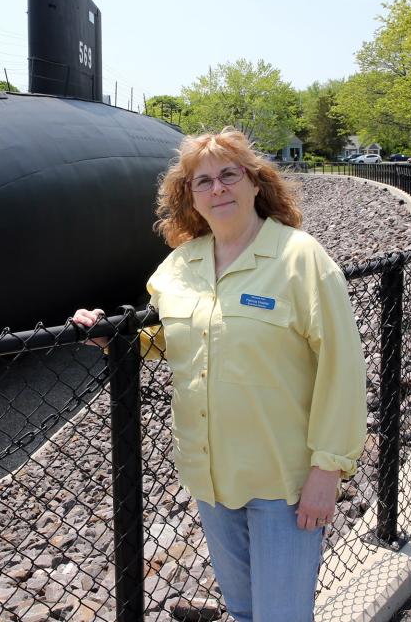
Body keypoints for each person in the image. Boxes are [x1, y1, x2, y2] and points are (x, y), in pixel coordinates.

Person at [73, 128, 366, 622]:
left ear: (255, 182)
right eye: (202, 181)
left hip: (283, 480)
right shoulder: (176, 268)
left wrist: (327, 468)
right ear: (189, 196)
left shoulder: (299, 257)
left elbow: (342, 364)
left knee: (282, 617)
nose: (217, 188)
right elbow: (173, 342)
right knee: (244, 612)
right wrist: (113, 336)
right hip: (211, 478)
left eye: (228, 175)